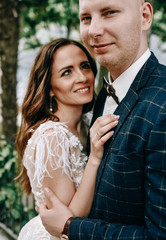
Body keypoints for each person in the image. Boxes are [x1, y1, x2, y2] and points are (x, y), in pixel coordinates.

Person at [38, 0, 166, 239]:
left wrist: (71, 227)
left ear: (144, 16)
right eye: (86, 18)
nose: (93, 30)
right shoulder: (104, 94)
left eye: (109, 12)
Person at [16, 38, 119, 239]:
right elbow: (69, 221)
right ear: (50, 88)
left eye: (85, 66)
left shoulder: (88, 123)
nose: (82, 77)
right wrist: (95, 158)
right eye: (67, 72)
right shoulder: (51, 138)